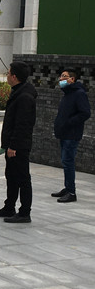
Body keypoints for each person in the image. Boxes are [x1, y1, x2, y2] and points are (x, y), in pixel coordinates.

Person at [0, 61, 37, 223]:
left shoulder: (24, 97)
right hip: (12, 144)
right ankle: (9, 206)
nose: (7, 76)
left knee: (22, 178)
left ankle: (24, 212)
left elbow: (22, 125)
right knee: (11, 177)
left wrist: (13, 146)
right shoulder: (18, 92)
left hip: (18, 146)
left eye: (8, 73)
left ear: (14, 76)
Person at [51, 68, 91, 203]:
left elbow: (85, 113)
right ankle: (67, 188)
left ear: (72, 79)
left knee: (68, 162)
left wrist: (69, 123)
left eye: (64, 76)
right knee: (65, 162)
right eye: (61, 76)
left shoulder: (79, 94)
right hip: (64, 133)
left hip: (72, 134)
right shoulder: (67, 94)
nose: (61, 79)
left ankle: (71, 192)